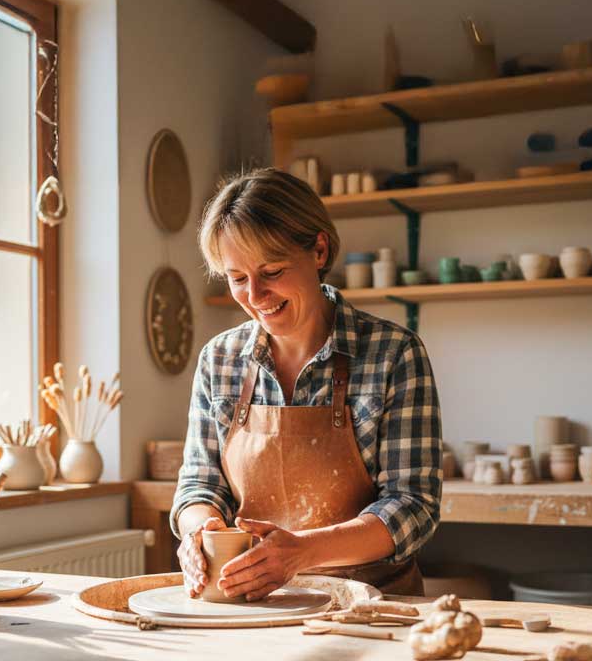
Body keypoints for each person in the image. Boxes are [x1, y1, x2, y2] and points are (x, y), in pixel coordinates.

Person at [171, 167, 442, 600]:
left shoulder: (393, 353)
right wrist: (198, 531)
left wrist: (301, 552)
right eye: (237, 278)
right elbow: (199, 485)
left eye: (272, 271)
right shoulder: (219, 360)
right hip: (254, 601)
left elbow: (413, 506)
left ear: (318, 250)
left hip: (369, 604)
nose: (255, 296)